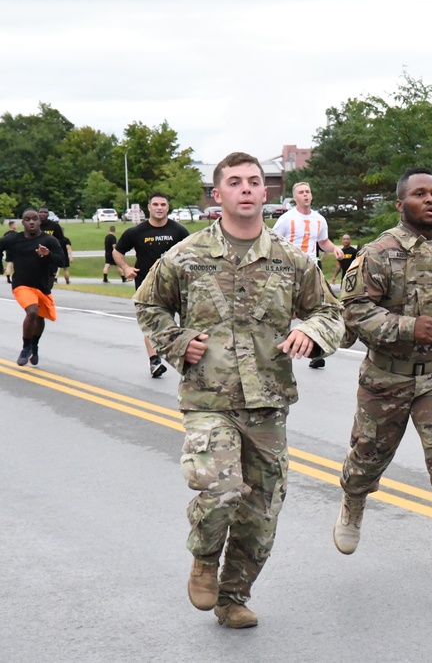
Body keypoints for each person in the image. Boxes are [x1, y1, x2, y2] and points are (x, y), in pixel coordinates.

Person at [134, 151, 345, 629]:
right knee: (221, 488)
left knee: (260, 511)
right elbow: (149, 305)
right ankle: (204, 557)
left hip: (268, 402)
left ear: (265, 194)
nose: (247, 188)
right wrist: (178, 341)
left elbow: (331, 313)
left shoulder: (291, 260)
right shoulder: (186, 256)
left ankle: (233, 597)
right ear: (219, 194)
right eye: (235, 182)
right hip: (209, 399)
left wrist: (312, 333)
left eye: (254, 181)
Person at [333, 167, 432, 598]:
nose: (431, 200)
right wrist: (406, 327)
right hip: (385, 377)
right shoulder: (380, 252)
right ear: (401, 204)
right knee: (368, 456)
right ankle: (354, 497)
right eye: (420, 195)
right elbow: (354, 312)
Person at [113, 192, 190, 377]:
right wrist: (125, 268)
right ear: (149, 207)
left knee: (183, 321)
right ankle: (155, 362)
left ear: (168, 207)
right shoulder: (136, 232)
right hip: (147, 286)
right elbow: (118, 251)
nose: (159, 208)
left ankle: (186, 355)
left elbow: (192, 252)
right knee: (152, 322)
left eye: (163, 204)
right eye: (155, 204)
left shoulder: (178, 231)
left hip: (175, 284)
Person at [271, 181, 344, 369]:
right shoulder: (286, 219)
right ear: (295, 197)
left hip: (311, 270)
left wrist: (335, 248)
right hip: (289, 271)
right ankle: (275, 349)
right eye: (301, 192)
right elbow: (272, 242)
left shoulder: (319, 219)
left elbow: (323, 241)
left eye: (308, 192)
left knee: (319, 308)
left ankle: (316, 352)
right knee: (286, 309)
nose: (306, 195)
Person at [0, 209, 67, 366]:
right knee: (32, 312)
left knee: (39, 317)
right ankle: (25, 348)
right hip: (22, 285)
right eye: (27, 219)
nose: (31, 222)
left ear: (39, 222)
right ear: (22, 222)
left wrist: (48, 254)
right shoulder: (13, 239)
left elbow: (62, 261)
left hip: (42, 286)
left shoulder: (49, 241)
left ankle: (34, 345)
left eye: (34, 219)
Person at [38, 207, 70, 285]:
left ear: (48, 214)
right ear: (37, 213)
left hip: (50, 255)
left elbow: (61, 240)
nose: (43, 214)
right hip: (37, 255)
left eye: (45, 212)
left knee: (50, 277)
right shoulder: (35, 225)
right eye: (41, 212)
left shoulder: (54, 226)